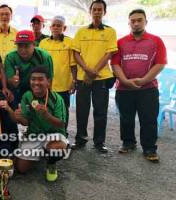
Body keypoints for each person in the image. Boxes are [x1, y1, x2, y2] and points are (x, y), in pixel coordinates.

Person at [111, 9, 167, 163]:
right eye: (133, 21)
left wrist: (143, 81)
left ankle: (149, 148)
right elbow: (115, 64)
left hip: (148, 89)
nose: (136, 23)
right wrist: (124, 81)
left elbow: (160, 64)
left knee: (148, 119)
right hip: (124, 89)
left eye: (139, 20)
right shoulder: (120, 42)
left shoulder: (156, 41)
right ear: (129, 23)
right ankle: (128, 143)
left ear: (145, 22)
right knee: (126, 118)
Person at [71, 0, 118, 153]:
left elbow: (109, 53)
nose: (97, 12)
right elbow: (76, 52)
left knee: (100, 111)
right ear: (90, 12)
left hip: (102, 78)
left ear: (104, 12)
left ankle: (99, 143)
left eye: (100, 9)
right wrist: (86, 69)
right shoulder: (81, 31)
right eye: (94, 9)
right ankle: (80, 139)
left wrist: (94, 71)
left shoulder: (110, 32)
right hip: (83, 78)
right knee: (82, 110)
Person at [13, 66, 68, 182]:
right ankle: (41, 152)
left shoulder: (57, 99)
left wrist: (47, 115)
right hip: (35, 134)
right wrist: (18, 117)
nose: (36, 82)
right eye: (33, 79)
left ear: (48, 81)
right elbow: (26, 122)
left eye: (40, 79)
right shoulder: (27, 96)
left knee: (57, 149)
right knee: (21, 169)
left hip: (53, 135)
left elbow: (61, 124)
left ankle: (51, 163)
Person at [39, 15, 77, 133]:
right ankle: (47, 137)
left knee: (63, 111)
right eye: (54, 25)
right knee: (46, 111)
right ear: (50, 28)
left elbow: (73, 65)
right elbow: (39, 64)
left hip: (64, 85)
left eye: (59, 25)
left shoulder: (70, 42)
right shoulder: (43, 43)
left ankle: (62, 135)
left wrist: (74, 82)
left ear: (64, 28)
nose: (56, 28)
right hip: (46, 86)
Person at [4, 30, 53, 104]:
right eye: (20, 46)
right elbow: (10, 80)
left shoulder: (44, 57)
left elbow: (49, 81)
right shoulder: (10, 57)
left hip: (38, 89)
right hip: (18, 91)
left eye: (27, 46)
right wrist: (14, 81)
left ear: (34, 45)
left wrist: (46, 99)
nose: (23, 50)